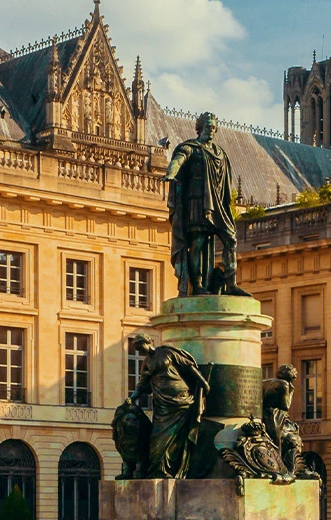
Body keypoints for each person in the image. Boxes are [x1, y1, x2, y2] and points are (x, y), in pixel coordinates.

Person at [163, 113, 250, 297]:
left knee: (230, 238)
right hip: (197, 201)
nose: (211, 130)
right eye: (208, 127)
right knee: (198, 241)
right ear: (200, 128)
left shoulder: (220, 153)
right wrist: (171, 173)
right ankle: (198, 284)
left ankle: (231, 282)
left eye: (213, 127)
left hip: (217, 204)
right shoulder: (191, 148)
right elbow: (178, 160)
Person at [122, 334, 208, 478]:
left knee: (177, 437)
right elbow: (142, 385)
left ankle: (172, 469)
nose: (138, 350)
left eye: (139, 346)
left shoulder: (167, 352)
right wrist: (131, 398)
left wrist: (203, 382)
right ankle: (161, 470)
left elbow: (188, 366)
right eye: (136, 348)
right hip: (162, 405)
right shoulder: (146, 362)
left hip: (181, 400)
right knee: (157, 440)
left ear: (147, 342)